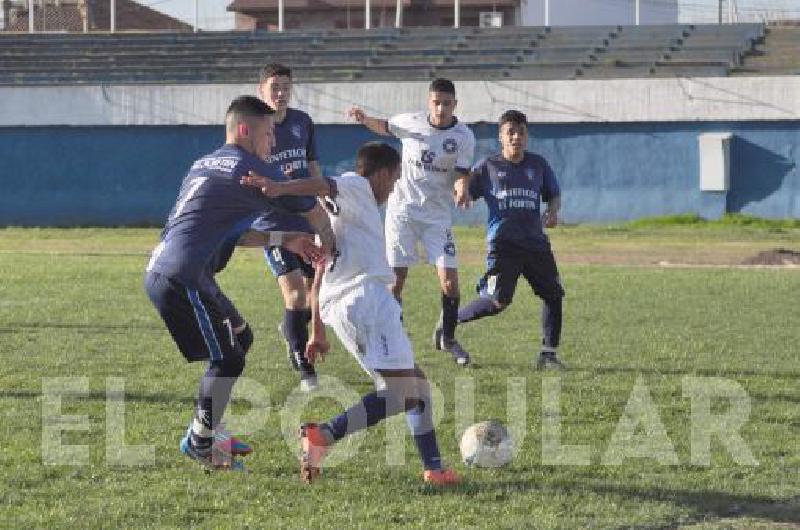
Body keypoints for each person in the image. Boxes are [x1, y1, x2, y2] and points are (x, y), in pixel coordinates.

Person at [242, 142, 461, 486]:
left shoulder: (335, 216)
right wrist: (280, 187)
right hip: (366, 299)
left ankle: (434, 468)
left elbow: (320, 272)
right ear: (385, 172)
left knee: (413, 386)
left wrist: (317, 329)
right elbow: (325, 184)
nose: (391, 190)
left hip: (343, 305)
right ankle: (323, 436)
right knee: (408, 391)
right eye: (394, 181)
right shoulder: (356, 186)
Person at [144, 95, 333, 470]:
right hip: (184, 275)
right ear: (245, 130)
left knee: (241, 338)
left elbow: (236, 235)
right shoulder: (249, 168)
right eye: (268, 135)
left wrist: (287, 240)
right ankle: (200, 441)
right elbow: (310, 202)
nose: (273, 144)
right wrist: (328, 237)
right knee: (228, 357)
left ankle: (210, 430)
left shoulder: (205, 164)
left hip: (180, 270)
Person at [348, 78, 476, 366]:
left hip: (437, 216)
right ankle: (394, 337)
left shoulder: (464, 136)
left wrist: (462, 187)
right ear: (428, 102)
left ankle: (448, 338)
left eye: (446, 103)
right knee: (396, 281)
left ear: (455, 105)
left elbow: (462, 172)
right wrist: (364, 119)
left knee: (450, 282)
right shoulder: (411, 122)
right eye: (436, 102)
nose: (441, 108)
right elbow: (385, 126)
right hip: (402, 212)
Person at [457, 110, 566, 370]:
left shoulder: (538, 165)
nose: (516, 137)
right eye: (510, 132)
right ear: (501, 137)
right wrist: (462, 192)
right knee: (497, 302)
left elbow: (554, 194)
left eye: (521, 132)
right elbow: (465, 190)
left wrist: (552, 211)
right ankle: (450, 321)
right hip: (504, 245)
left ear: (527, 136)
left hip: (535, 243)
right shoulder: (488, 167)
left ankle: (547, 356)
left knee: (553, 294)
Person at [253, 63, 323, 391]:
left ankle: (289, 329)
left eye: (285, 86)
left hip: (304, 217)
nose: (280, 93)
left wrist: (321, 198)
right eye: (274, 87)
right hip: (272, 222)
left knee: (313, 296)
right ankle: (302, 360)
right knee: (295, 295)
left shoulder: (302, 122)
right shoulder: (255, 128)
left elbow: (312, 166)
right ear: (261, 90)